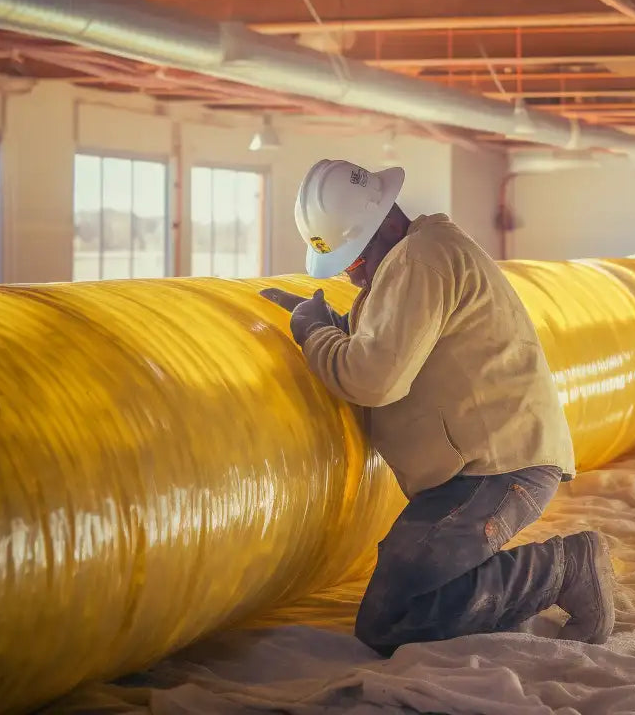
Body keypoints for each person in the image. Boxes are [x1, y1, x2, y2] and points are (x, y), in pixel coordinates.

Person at [258, 159, 614, 655]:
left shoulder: (419, 261)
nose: (354, 276)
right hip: (484, 469)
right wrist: (338, 328)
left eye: (354, 261)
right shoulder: (421, 254)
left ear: (384, 225)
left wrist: (315, 333)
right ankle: (551, 572)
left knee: (392, 618)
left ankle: (564, 569)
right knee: (404, 595)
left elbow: (373, 379)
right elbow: (404, 344)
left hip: (494, 471)